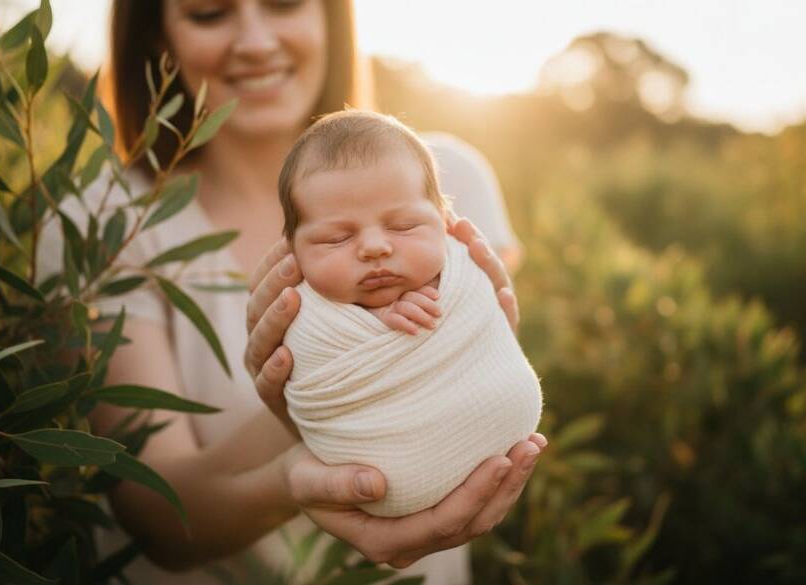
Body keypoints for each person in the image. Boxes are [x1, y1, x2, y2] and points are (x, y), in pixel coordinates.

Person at [39, 1, 547, 583]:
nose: (255, 41)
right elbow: (156, 516)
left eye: (283, 3)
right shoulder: (101, 225)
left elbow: (481, 399)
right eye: (209, 13)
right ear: (156, 37)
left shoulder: (444, 177)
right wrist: (301, 443)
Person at [278, 109, 544, 519]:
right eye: (337, 237)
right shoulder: (295, 301)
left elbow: (479, 312)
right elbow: (309, 344)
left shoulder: (458, 259)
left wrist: (448, 300)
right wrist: (373, 320)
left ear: (443, 222)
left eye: (402, 226)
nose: (373, 247)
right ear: (292, 249)